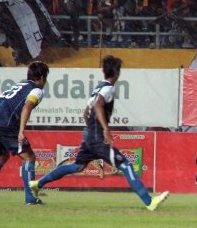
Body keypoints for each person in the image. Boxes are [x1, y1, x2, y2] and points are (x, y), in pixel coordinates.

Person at [29, 56, 169, 211]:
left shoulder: (98, 88)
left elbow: (86, 112)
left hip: (89, 134)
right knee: (126, 165)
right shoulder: (108, 88)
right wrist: (104, 129)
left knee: (77, 166)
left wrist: (91, 129)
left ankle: (37, 184)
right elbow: (98, 105)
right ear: (116, 73)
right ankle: (149, 202)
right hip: (96, 136)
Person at [0, 61, 50, 205]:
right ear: (41, 78)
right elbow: (27, 107)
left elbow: (1, 104)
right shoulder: (36, 90)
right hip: (5, 126)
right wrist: (21, 131)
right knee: (29, 157)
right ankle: (30, 198)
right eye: (45, 78)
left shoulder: (17, 85)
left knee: (2, 156)